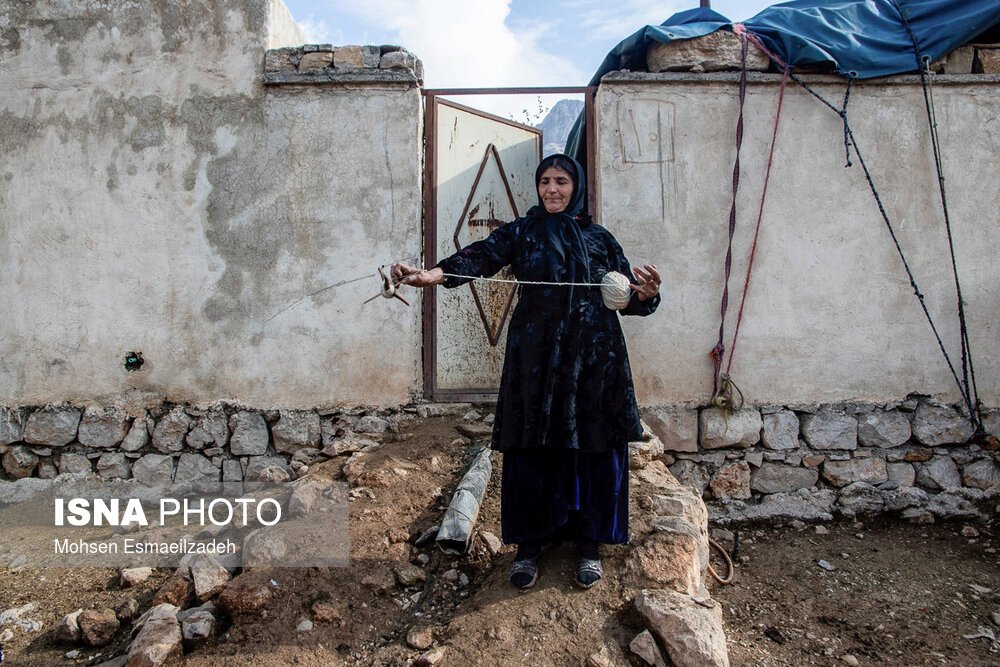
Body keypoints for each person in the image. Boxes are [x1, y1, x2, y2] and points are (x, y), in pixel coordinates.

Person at [391, 153, 660, 589]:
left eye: (562, 181)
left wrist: (644, 294)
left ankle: (589, 544)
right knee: (532, 446)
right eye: (545, 181)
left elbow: (626, 299)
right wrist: (431, 275)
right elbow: (478, 256)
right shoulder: (522, 232)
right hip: (536, 360)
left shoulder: (601, 239)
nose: (552, 189)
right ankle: (531, 546)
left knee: (593, 446)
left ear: (577, 186)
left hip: (595, 361)